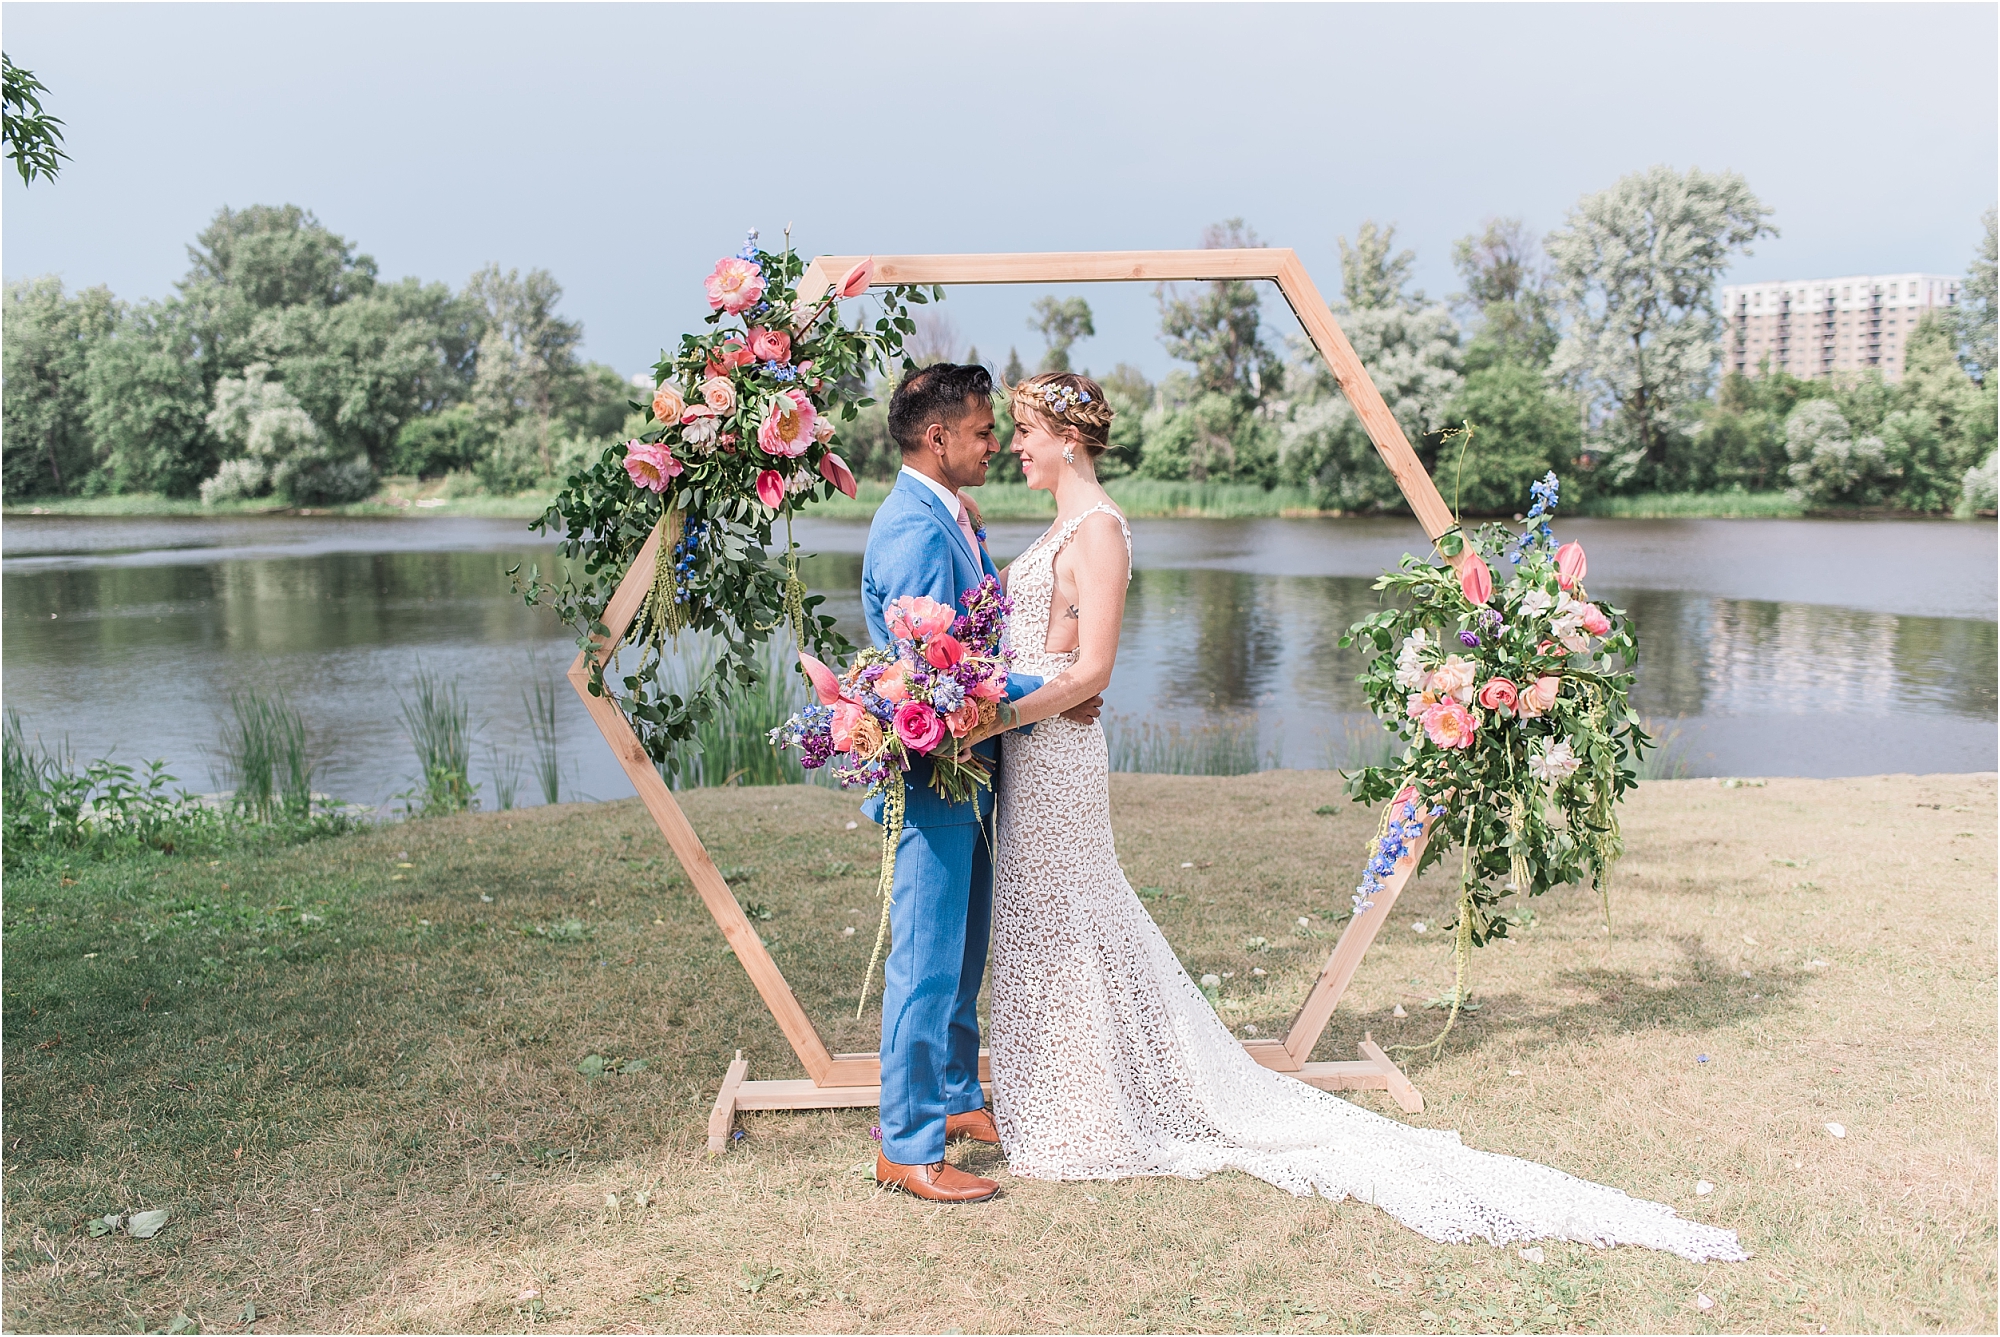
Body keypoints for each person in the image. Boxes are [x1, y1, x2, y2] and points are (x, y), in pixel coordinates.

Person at [962, 370, 1747, 1262]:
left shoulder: (1100, 530)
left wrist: (994, 713)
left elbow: (1093, 669)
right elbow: (1038, 651)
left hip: (1057, 757)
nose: (1014, 446)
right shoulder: (1060, 527)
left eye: (1023, 432)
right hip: (1034, 751)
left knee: (1068, 915)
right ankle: (1060, 1099)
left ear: (1066, 439)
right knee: (1041, 921)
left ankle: (1083, 1116)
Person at [859, 362, 1100, 1204]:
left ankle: (957, 1098)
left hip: (974, 775)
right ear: (940, 437)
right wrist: (1060, 689)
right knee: (926, 960)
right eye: (985, 431)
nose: (997, 443)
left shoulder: (948, 517)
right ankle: (907, 1143)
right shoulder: (916, 529)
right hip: (937, 778)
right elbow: (941, 682)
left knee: (962, 954)